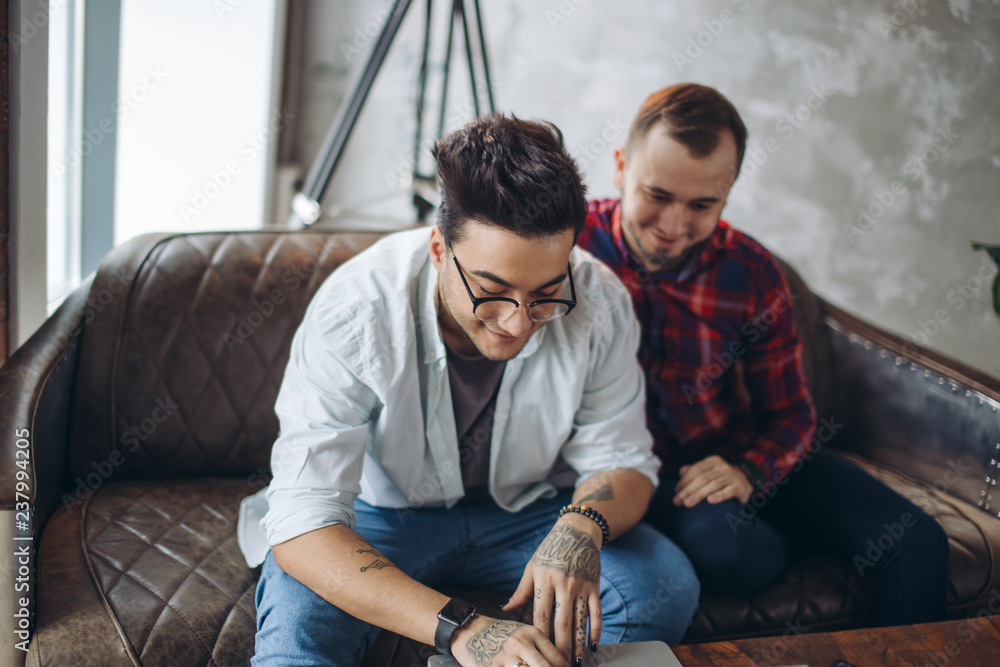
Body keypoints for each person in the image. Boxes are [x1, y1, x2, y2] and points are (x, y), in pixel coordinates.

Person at [237, 113, 699, 667]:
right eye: (491, 291)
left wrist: (583, 525)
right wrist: (462, 629)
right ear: (438, 250)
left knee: (662, 587)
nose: (517, 323)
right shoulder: (355, 310)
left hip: (533, 512)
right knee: (295, 647)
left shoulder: (599, 300)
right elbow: (304, 518)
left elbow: (623, 460)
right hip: (382, 517)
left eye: (546, 294)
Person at [576, 83, 949, 626]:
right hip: (645, 477)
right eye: (656, 195)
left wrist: (749, 469)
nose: (675, 227)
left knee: (920, 544)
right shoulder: (569, 245)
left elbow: (793, 413)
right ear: (619, 167)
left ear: (726, 194)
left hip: (745, 458)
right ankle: (789, 542)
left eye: (703, 205)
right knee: (726, 550)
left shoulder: (751, 272)